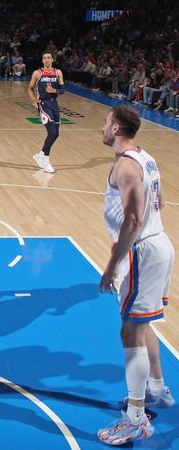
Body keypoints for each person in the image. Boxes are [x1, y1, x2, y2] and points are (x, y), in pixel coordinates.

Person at [97, 106, 175, 446]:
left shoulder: (125, 164)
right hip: (157, 245)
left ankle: (137, 418)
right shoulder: (146, 157)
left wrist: (113, 263)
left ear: (115, 128)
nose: (101, 127)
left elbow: (133, 218)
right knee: (140, 325)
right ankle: (157, 389)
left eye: (104, 122)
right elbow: (159, 202)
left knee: (129, 332)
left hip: (141, 250)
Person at [29, 51, 65, 174]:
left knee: (56, 134)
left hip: (54, 104)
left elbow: (63, 90)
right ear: (42, 60)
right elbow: (30, 88)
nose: (47, 59)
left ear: (52, 60)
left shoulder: (58, 72)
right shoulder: (37, 73)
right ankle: (45, 159)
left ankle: (41, 154)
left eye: (49, 58)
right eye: (44, 58)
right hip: (43, 104)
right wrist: (34, 100)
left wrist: (55, 90)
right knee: (52, 132)